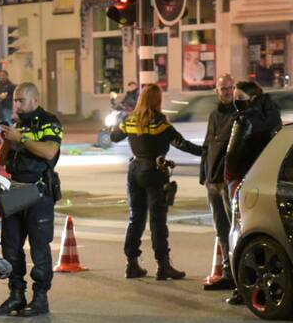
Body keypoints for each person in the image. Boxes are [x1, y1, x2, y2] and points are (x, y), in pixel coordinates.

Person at [110, 83, 203, 281]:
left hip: (134, 171)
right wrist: (206, 152)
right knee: (157, 220)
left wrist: (119, 122)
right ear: (157, 100)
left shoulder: (130, 120)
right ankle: (163, 266)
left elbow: (114, 137)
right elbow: (181, 143)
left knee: (136, 217)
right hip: (155, 171)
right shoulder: (159, 122)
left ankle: (132, 264)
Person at [0, 82, 62, 317]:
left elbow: (50, 151)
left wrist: (20, 139)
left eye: (21, 100)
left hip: (38, 190)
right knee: (11, 246)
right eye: (15, 100)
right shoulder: (17, 125)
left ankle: (40, 298)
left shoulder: (49, 121)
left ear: (35, 100)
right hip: (15, 189)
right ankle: (16, 295)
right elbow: (2, 160)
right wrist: (7, 139)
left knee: (39, 247)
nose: (17, 104)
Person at [223, 80, 282, 305]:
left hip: (241, 181)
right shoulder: (273, 115)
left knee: (238, 234)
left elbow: (232, 156)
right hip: (264, 179)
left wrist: (228, 178)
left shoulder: (244, 119)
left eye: (238, 96)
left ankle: (242, 287)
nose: (235, 100)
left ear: (250, 97)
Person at [200, 74, 238, 292]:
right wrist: (203, 175)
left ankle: (235, 271)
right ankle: (227, 272)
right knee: (221, 228)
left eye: (229, 88)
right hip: (212, 180)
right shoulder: (214, 115)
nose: (226, 92)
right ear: (216, 91)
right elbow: (208, 146)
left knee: (233, 227)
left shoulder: (238, 115)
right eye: (223, 89)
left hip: (226, 180)